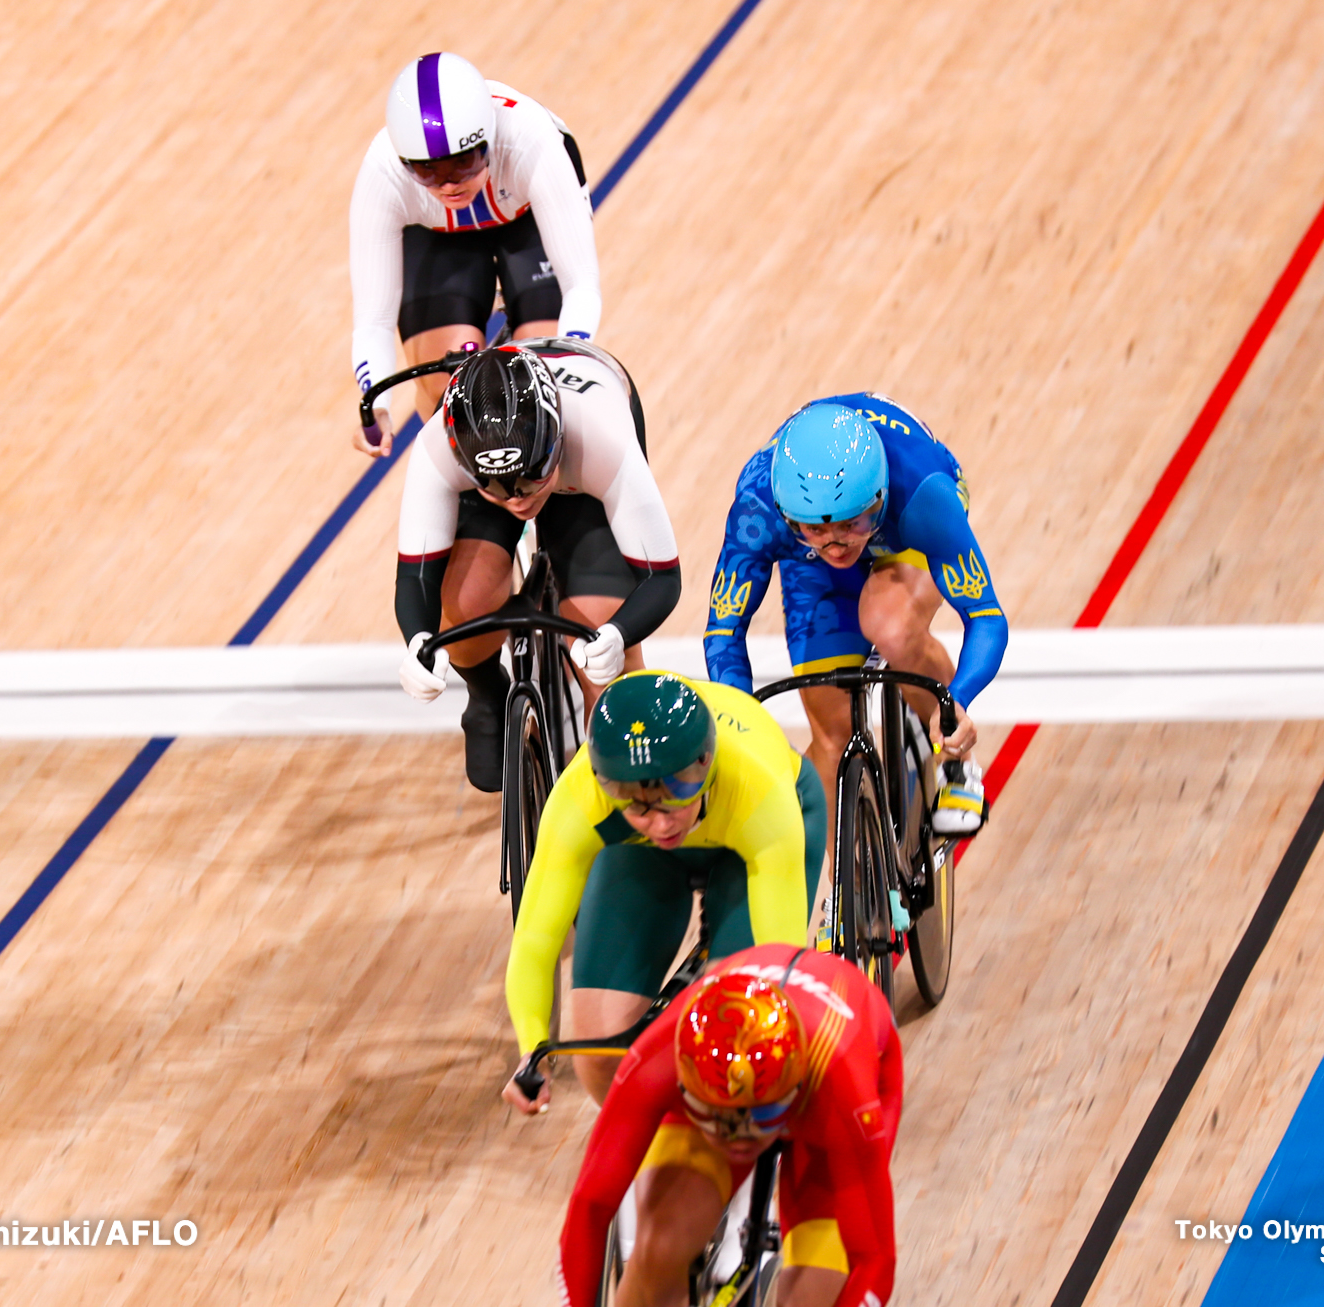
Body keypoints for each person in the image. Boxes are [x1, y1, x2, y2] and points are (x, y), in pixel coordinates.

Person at [498, 672, 826, 1109]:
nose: (662, 823)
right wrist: (531, 1050)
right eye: (639, 806)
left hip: (754, 837)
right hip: (645, 854)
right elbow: (536, 940)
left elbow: (777, 960)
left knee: (739, 1034)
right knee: (598, 1054)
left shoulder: (756, 787)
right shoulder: (580, 798)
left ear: (707, 765)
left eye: (677, 800)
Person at [704, 395, 1008, 835]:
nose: (836, 544)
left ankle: (956, 766)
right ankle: (846, 896)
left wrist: (956, 700)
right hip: (807, 562)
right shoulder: (759, 508)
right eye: (816, 530)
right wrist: (740, 723)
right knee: (832, 737)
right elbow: (724, 631)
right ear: (789, 519)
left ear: (879, 495)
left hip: (899, 535)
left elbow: (985, 618)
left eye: (852, 525)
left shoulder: (922, 494)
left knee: (891, 626)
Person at [394, 341, 679, 790]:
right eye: (497, 488)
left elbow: (662, 579)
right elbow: (415, 577)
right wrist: (418, 641)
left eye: (531, 479)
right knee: (464, 606)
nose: (517, 498)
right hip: (526, 459)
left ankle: (620, 814)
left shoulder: (602, 438)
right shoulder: (438, 450)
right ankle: (487, 690)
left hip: (580, 480)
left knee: (609, 671)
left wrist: (617, 634)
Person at [551, 943, 901, 1307]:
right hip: (767, 1086)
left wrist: (716, 1116)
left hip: (823, 1104)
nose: (738, 1139)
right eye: (716, 1117)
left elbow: (875, 1261)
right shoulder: (658, 1057)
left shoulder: (841, 1083)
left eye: (762, 1116)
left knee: (814, 1297)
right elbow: (589, 1208)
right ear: (683, 1083)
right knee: (659, 1246)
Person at [350, 51, 600, 453]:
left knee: (542, 395)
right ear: (405, 162)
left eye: (464, 162)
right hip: (437, 232)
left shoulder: (531, 140)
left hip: (527, 215)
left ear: (488, 138)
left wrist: (566, 371)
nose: (449, 185)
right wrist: (375, 404)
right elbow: (372, 321)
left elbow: (582, 286)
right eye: (428, 171)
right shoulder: (384, 174)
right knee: (442, 401)